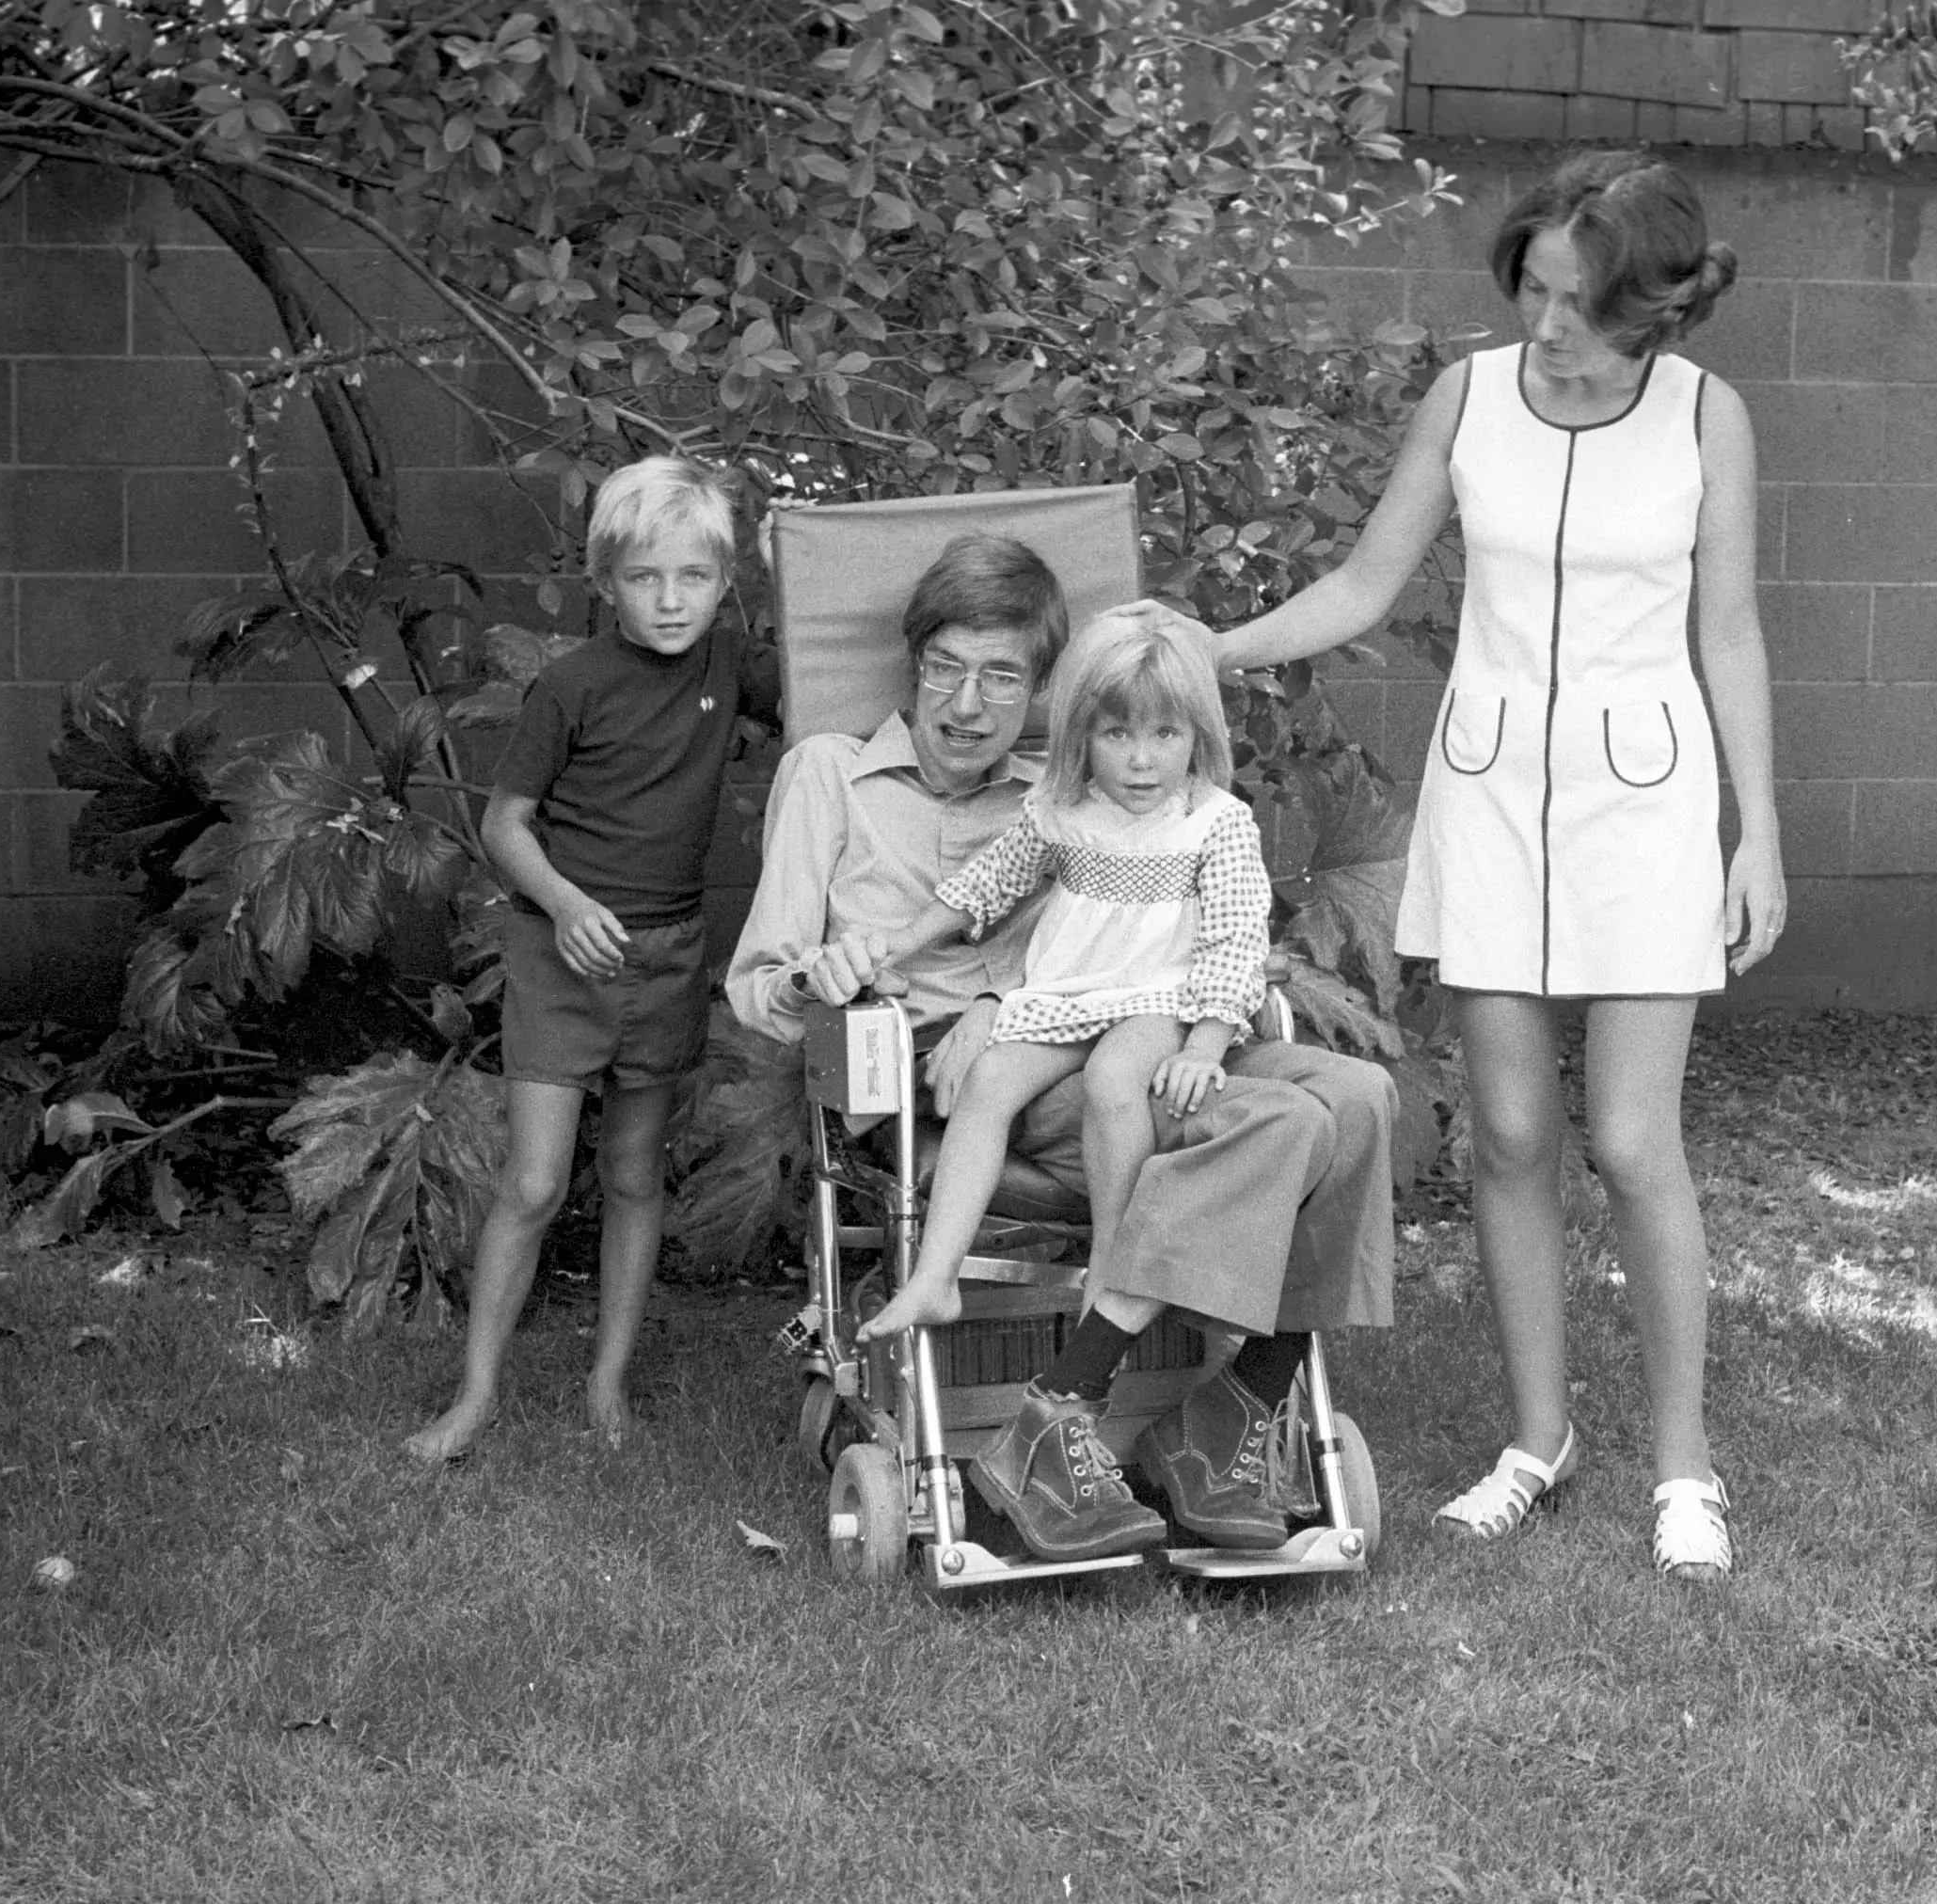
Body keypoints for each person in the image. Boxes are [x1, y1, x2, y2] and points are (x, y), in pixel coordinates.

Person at [1191, 151, 1786, 1581]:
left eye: (1581, 302)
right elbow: (1363, 584)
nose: (1550, 325)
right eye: (1533, 290)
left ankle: (1684, 1465)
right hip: (1491, 796)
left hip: (1645, 808)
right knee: (1510, 1137)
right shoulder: (1465, 398)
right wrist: (1208, 648)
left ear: (1650, 306)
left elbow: (1727, 630)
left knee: (1631, 1142)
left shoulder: (1707, 415)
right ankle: (1537, 1440)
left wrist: (1757, 831)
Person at [727, 532, 1395, 1564]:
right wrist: (826, 976)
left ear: (1042, 690)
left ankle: (1238, 1399)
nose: (967, 702)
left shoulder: (1084, 785)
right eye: (945, 667)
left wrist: (1002, 998)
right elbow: (756, 987)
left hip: (1136, 1026)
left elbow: (1143, 938)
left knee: (1356, 1097)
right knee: (1281, 1120)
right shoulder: (830, 774)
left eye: (1001, 677)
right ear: (912, 663)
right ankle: (1087, 1405)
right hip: (972, 1071)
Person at [405, 454, 773, 1463]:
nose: (670, 599)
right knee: (533, 1183)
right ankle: (474, 1396)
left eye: (693, 577)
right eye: (645, 577)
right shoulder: (570, 685)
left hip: (668, 957)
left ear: (725, 581)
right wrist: (565, 905)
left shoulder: (731, 666)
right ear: (606, 581)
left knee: (633, 1174)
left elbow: (844, 684)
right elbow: (505, 823)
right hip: (562, 955)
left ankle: (606, 1386)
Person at [848, 610, 1270, 1345]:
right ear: (1081, 736)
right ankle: (936, 1276)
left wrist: (1204, 1043)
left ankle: (1110, 1272)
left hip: (1159, 997)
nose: (1141, 761)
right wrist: (899, 944)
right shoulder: (1061, 811)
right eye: (1117, 735)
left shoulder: (1214, 821)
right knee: (987, 1082)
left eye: (1164, 735)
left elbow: (1236, 940)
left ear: (1198, 735)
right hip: (1066, 993)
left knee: (1114, 1079)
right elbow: (985, 885)